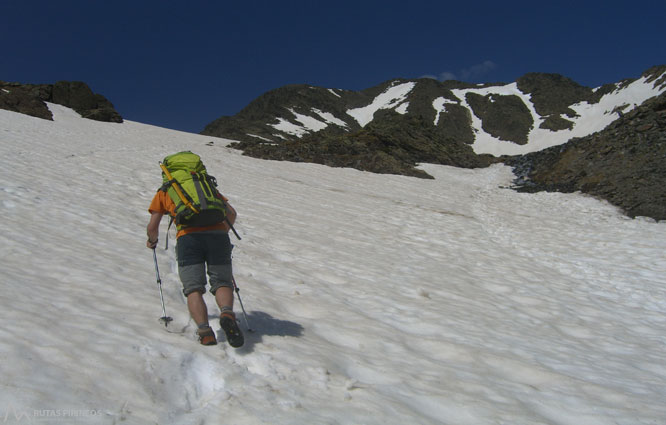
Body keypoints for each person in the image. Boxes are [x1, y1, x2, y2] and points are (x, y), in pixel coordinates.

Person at [146, 185, 244, 347]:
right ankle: (227, 313)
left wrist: (152, 241)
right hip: (218, 237)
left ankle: (205, 333)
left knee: (193, 287)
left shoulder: (165, 191)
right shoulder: (205, 186)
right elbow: (231, 213)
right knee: (222, 282)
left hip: (188, 238)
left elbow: (152, 227)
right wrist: (220, 233)